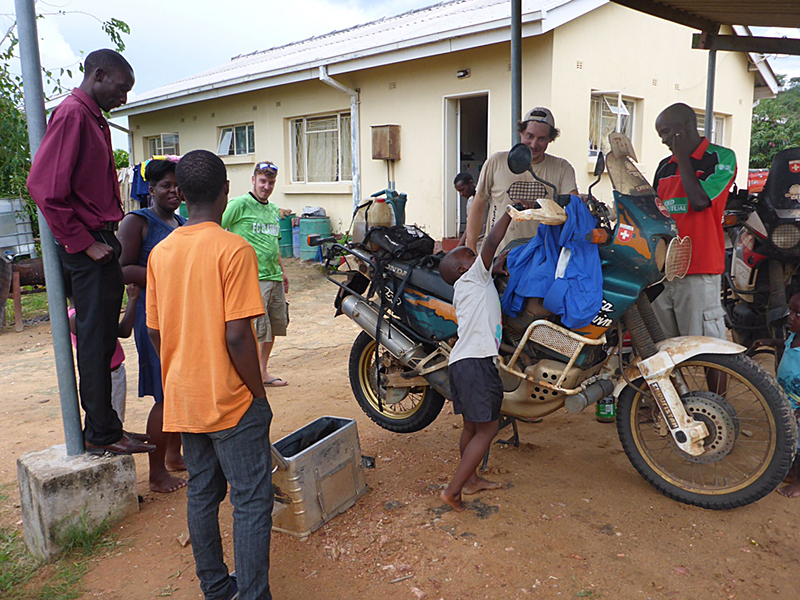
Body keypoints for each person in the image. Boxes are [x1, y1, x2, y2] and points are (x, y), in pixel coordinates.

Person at [147, 150, 273, 599]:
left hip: (183, 397)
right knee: (251, 499)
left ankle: (217, 589)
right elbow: (238, 336)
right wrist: (258, 396)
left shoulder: (161, 253)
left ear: (179, 194)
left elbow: (156, 331)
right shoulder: (233, 248)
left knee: (202, 492)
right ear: (225, 193)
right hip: (231, 400)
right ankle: (253, 594)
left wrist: (179, 372)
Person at [27, 49, 152, 455]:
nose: (124, 99)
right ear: (98, 75)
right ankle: (101, 433)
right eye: (121, 88)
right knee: (96, 342)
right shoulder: (74, 114)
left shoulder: (92, 116)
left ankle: (108, 426)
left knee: (102, 343)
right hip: (88, 245)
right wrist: (83, 242)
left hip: (101, 238)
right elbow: (43, 188)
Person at [438, 198, 538, 512]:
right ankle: (453, 490)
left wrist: (496, 265)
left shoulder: (468, 285)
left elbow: (492, 261)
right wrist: (511, 211)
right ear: (462, 268)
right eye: (470, 254)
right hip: (477, 364)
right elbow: (493, 241)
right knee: (488, 428)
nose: (477, 254)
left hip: (462, 364)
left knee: (471, 427)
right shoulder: (473, 277)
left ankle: (470, 480)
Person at [118, 159, 187, 494]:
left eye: (177, 186)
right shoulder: (137, 222)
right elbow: (122, 269)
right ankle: (156, 473)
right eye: (165, 186)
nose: (173, 192)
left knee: (177, 390)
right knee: (164, 396)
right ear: (150, 188)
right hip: (154, 320)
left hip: (183, 317)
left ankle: (174, 455)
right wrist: (164, 279)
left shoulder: (183, 222)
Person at [651, 103, 736, 340]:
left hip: (699, 268)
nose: (664, 140)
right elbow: (652, 210)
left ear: (686, 126)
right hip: (664, 272)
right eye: (661, 134)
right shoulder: (664, 167)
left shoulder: (720, 157)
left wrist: (682, 157)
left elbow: (699, 200)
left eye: (667, 132)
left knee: (709, 347)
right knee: (665, 349)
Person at [464, 107, 578, 254]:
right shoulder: (496, 162)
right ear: (521, 133)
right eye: (529, 136)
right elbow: (478, 205)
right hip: (497, 256)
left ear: (550, 139)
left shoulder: (563, 168)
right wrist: (470, 249)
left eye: (542, 138)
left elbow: (573, 204)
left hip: (542, 258)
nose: (534, 144)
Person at [222, 161, 290, 388]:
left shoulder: (272, 209)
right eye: (262, 181)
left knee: (271, 328)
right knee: (252, 330)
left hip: (274, 276)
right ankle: (245, 376)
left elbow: (274, 243)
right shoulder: (239, 204)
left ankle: (262, 372)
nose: (266, 186)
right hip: (251, 278)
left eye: (271, 182)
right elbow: (217, 227)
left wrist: (283, 271)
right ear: (253, 180)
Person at [68, 282, 139, 428]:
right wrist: (133, 299)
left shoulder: (74, 314)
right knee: (113, 420)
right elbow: (124, 331)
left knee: (109, 417)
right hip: (110, 374)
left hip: (109, 372)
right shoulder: (80, 316)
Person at [752, 293, 800, 498]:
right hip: (787, 400)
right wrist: (771, 341)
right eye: (791, 311)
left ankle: (799, 483)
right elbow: (786, 344)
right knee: (790, 441)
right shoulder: (794, 336)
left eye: (799, 314)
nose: (791, 317)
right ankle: (792, 470)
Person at [454, 172, 486, 246]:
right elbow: (469, 225)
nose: (461, 194)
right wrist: (459, 246)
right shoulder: (470, 201)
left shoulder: (485, 199)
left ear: (470, 183)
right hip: (471, 244)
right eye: (459, 191)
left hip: (482, 243)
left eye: (462, 190)